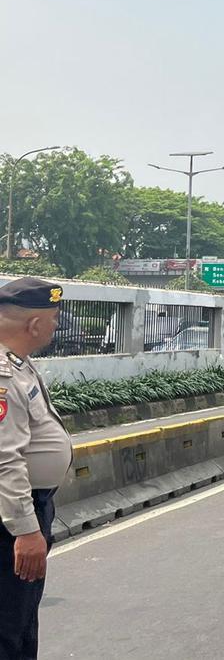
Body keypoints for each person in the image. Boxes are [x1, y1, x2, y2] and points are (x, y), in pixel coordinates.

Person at [0, 278, 73, 659]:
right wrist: (26, 531)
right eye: (54, 318)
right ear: (33, 325)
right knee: (7, 625)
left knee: (24, 617)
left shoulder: (18, 363)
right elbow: (4, 459)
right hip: (11, 522)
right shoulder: (3, 376)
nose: (56, 325)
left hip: (29, 509)